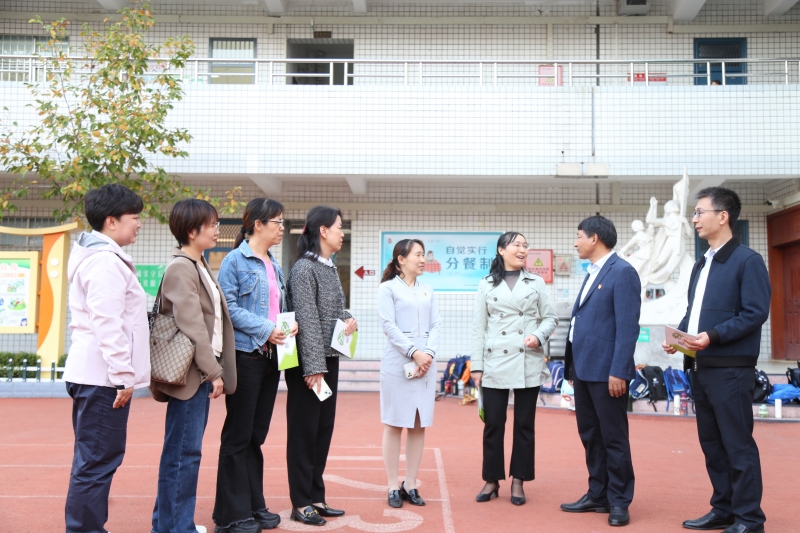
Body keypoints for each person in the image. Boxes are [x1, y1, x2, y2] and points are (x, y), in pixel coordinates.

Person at [662, 187, 770, 533]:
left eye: (699, 212)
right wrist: (679, 337)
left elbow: (755, 313)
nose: (694, 219)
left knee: (737, 444)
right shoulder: (702, 263)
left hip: (731, 370)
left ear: (723, 216)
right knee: (712, 444)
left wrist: (713, 336)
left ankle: (750, 518)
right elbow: (695, 313)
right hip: (700, 366)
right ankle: (723, 508)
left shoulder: (748, 261)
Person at [63, 184, 150, 533]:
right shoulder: (104, 262)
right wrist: (123, 375)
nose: (139, 223)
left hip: (95, 374)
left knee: (93, 459)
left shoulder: (100, 256)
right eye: (134, 217)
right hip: (103, 378)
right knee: (97, 461)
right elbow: (107, 322)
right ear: (111, 221)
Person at [151, 199, 237, 533]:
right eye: (212, 224)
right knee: (184, 454)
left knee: (182, 452)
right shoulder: (182, 267)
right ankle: (176, 527)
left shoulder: (197, 264)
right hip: (191, 374)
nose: (217, 230)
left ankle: (167, 524)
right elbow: (193, 325)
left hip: (196, 370)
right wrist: (213, 372)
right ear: (191, 230)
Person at [213, 198, 294, 533]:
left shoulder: (274, 264)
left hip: (271, 359)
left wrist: (287, 325)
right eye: (277, 221)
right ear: (258, 224)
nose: (282, 228)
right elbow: (228, 307)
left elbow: (278, 308)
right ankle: (230, 516)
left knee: (255, 436)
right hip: (246, 356)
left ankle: (252, 505)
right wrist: (266, 328)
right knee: (238, 435)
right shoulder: (234, 261)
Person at [561, 216, 640, 528]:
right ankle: (598, 494)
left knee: (613, 438)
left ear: (594, 238)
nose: (575, 242)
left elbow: (627, 327)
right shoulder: (592, 272)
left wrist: (619, 370)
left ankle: (619, 501)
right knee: (591, 436)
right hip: (584, 369)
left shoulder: (622, 272)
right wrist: (571, 367)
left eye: (578, 236)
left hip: (608, 373)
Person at [470, 232, 558, 506]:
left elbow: (551, 318)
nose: (522, 249)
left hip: (527, 358)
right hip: (495, 360)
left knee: (524, 424)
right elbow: (479, 328)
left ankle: (519, 479)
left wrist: (538, 336)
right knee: (493, 424)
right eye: (516, 245)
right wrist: (476, 365)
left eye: (525, 245)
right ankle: (492, 479)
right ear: (501, 250)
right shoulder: (486, 284)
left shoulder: (535, 282)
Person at [286, 206, 358, 526]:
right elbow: (307, 319)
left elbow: (330, 312)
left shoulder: (328, 266)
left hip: (328, 359)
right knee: (304, 432)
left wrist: (348, 320)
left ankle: (316, 495)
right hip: (309, 364)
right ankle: (301, 502)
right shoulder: (304, 268)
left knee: (322, 430)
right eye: (339, 227)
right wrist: (313, 368)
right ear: (323, 231)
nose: (342, 232)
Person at [377, 239, 442, 508]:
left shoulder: (428, 290)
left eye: (423, 254)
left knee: (418, 423)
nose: (423, 259)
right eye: (417, 254)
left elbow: (436, 325)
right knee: (394, 423)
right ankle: (393, 485)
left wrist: (428, 354)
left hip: (425, 363)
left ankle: (410, 483)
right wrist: (414, 352)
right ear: (401, 259)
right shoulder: (387, 288)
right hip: (398, 364)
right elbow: (388, 326)